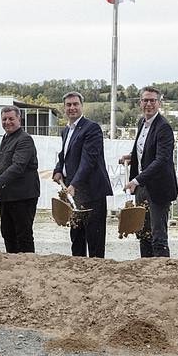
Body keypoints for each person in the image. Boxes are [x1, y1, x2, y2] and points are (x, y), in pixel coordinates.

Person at [52, 91, 113, 258]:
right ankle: (78, 274)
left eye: (75, 104)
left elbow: (89, 161)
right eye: (68, 105)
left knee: (94, 239)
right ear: (64, 107)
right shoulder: (66, 131)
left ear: (81, 106)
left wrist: (74, 184)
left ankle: (97, 276)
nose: (72, 108)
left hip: (92, 192)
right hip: (74, 193)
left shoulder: (91, 128)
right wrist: (58, 169)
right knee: (77, 237)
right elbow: (64, 155)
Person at [120, 87, 178, 257]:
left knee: (158, 236)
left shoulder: (164, 127)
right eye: (145, 100)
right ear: (140, 103)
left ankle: (162, 274)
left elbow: (161, 160)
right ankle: (144, 273)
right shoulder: (141, 123)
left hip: (159, 189)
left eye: (152, 100)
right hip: (142, 188)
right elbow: (146, 150)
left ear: (159, 103)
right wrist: (131, 157)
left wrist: (136, 180)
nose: (149, 104)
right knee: (143, 233)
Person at [0, 106, 40, 253]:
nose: (7, 122)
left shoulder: (25, 139)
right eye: (4, 119)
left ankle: (27, 268)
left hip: (23, 196)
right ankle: (12, 266)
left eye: (11, 119)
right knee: (7, 233)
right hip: (7, 196)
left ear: (19, 119)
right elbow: (6, 164)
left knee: (23, 235)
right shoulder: (6, 137)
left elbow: (18, 166)